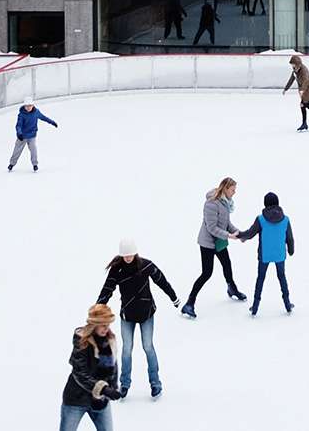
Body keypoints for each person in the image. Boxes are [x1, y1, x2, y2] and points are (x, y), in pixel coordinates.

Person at [96, 238, 178, 400]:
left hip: (146, 313)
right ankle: (124, 384)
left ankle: (155, 384)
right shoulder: (117, 270)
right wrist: (97, 310)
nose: (127, 258)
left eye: (130, 254)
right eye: (125, 255)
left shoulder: (145, 265)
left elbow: (161, 280)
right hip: (128, 315)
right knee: (127, 349)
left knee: (148, 346)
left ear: (135, 253)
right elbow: (107, 289)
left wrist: (173, 297)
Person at [182, 178, 247, 317]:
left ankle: (232, 289)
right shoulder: (211, 203)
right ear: (225, 188)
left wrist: (239, 233)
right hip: (208, 243)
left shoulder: (225, 203)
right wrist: (229, 236)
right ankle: (189, 303)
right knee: (206, 273)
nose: (234, 193)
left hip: (219, 241)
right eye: (233, 190)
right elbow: (212, 228)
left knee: (227, 265)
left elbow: (227, 223)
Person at [60, 304, 121, 430]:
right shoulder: (81, 342)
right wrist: (104, 389)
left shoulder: (109, 340)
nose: (107, 328)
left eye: (108, 324)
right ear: (94, 324)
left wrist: (113, 386)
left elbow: (113, 365)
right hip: (76, 400)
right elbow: (80, 373)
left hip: (100, 401)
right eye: (103, 325)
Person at [234, 192, 295, 316]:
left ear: (265, 204)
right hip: (279, 255)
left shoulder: (261, 219)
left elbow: (250, 234)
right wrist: (291, 250)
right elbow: (290, 238)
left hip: (264, 255)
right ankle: (288, 305)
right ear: (277, 203)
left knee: (260, 279)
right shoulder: (286, 219)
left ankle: (255, 307)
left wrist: (239, 234)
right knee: (282, 277)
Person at [7, 102, 58, 173]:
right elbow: (18, 125)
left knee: (33, 150)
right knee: (17, 150)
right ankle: (11, 164)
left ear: (33, 106)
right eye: (26, 106)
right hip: (22, 136)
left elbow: (44, 118)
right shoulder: (21, 114)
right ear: (24, 106)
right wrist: (19, 133)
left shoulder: (36, 112)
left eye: (30, 106)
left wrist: (52, 122)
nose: (28, 107)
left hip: (32, 136)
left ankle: (35, 165)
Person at [282, 54, 309, 131]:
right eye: (291, 64)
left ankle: (305, 124)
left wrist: (302, 90)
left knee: (303, 104)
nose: (292, 65)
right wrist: (286, 89)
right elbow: (291, 79)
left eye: (293, 64)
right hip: (304, 91)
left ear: (297, 64)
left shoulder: (304, 70)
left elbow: (306, 81)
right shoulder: (295, 70)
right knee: (306, 105)